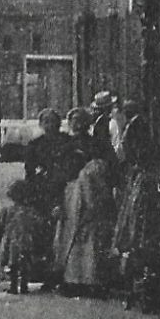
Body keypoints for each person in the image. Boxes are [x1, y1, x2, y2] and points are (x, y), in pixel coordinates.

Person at [53, 107, 119, 295]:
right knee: (71, 237)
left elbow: (110, 168)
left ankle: (93, 280)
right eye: (73, 120)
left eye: (81, 120)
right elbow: (59, 174)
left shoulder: (97, 144)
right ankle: (72, 280)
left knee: (92, 237)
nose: (77, 124)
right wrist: (57, 201)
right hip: (71, 193)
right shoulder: (65, 146)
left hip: (94, 194)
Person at [111, 101, 160, 310]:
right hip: (140, 181)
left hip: (141, 183)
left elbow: (128, 152)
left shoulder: (134, 127)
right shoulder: (136, 126)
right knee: (137, 232)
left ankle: (139, 288)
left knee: (136, 231)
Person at [22, 108, 80, 288]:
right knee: (44, 234)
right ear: (41, 125)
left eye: (53, 122)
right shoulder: (35, 145)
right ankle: (45, 273)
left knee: (64, 231)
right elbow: (29, 172)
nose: (50, 126)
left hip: (64, 190)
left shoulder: (67, 142)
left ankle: (63, 272)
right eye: (46, 122)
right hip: (43, 193)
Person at [0, 179, 43, 294]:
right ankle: (24, 285)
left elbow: (0, 226)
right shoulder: (30, 211)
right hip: (26, 240)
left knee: (13, 264)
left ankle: (13, 285)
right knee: (25, 263)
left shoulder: (7, 210)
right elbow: (38, 224)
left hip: (12, 240)